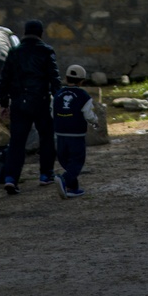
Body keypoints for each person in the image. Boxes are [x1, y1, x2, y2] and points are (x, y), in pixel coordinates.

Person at [0, 19, 60, 194]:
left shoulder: (14, 52)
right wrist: (60, 99)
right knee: (46, 137)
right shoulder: (46, 51)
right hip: (40, 101)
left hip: (18, 103)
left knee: (17, 142)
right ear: (41, 34)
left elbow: (4, 79)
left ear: (25, 33)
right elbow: (54, 78)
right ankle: (45, 175)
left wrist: (3, 103)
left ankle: (11, 178)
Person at [52, 63, 96, 198]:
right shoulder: (83, 95)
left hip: (60, 132)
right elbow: (88, 114)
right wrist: (95, 121)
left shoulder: (58, 94)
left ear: (66, 78)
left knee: (65, 159)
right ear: (82, 81)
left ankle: (73, 188)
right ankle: (64, 179)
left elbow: (52, 112)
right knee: (77, 160)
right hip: (76, 133)